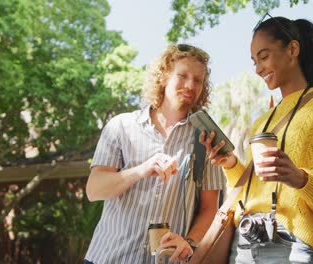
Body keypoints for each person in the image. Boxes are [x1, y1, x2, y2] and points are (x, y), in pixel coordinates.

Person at [201, 14, 313, 264]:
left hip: (296, 242)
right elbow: (254, 189)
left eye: (264, 56)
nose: (258, 68)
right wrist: (231, 164)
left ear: (293, 49)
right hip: (244, 243)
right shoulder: (262, 121)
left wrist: (300, 178)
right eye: (254, 61)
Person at [84, 44, 225, 263]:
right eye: (183, 75)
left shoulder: (206, 140)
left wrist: (190, 242)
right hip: (107, 257)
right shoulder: (121, 126)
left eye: (198, 80)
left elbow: (209, 209)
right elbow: (94, 190)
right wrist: (140, 170)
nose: (190, 85)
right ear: (164, 77)